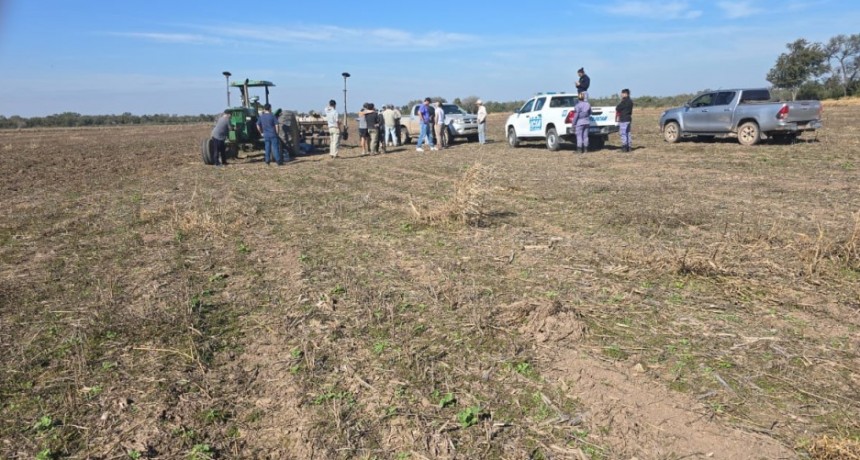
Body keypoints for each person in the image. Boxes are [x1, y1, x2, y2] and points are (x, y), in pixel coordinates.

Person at [615, 88, 634, 152]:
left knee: (623, 133)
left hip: (623, 119)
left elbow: (617, 108)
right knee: (628, 133)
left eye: (622, 93)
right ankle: (629, 147)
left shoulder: (624, 101)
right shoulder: (631, 101)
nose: (621, 95)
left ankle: (624, 147)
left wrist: (621, 101)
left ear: (625, 94)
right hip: (628, 118)